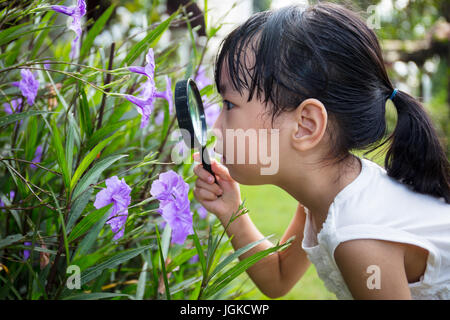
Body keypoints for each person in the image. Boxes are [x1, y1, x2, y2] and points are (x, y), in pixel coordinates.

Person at [192, 2, 450, 300]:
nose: (216, 128)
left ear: (306, 125)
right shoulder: (326, 199)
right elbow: (278, 278)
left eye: (229, 105)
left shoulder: (359, 234)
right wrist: (231, 211)